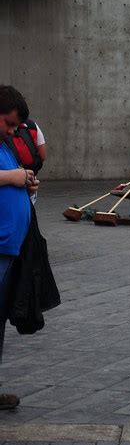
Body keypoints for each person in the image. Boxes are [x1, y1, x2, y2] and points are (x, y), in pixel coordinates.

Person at [0, 85, 39, 410]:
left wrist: (24, 178)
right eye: (9, 123)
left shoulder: (4, 144)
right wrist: (11, 178)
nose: (13, 131)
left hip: (8, 248)